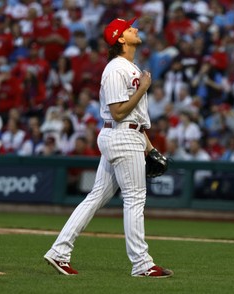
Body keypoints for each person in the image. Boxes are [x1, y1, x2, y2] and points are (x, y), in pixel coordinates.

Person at [44, 17, 174, 278]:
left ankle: (59, 251)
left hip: (130, 136)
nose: (134, 28)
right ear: (121, 39)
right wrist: (144, 88)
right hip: (121, 136)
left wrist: (148, 148)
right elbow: (117, 112)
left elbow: (134, 118)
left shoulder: (129, 66)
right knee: (135, 198)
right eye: (129, 28)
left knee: (96, 197)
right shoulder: (116, 69)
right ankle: (142, 264)